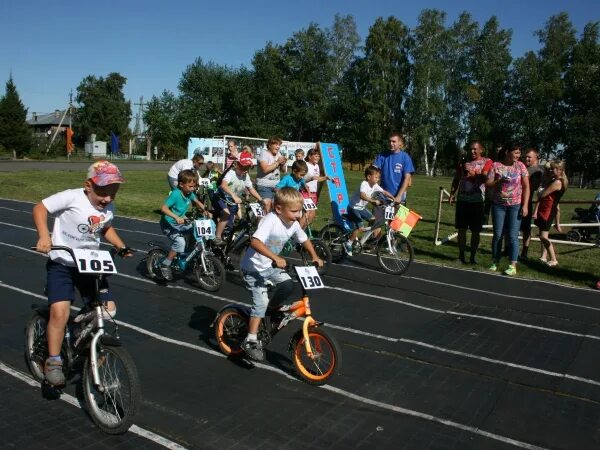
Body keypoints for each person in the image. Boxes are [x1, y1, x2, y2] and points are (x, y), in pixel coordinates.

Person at [32, 160, 133, 386]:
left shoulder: (108, 208)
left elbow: (104, 227)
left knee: (108, 310)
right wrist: (44, 235)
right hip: (63, 264)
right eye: (103, 193)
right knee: (60, 312)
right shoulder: (72, 197)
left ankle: (81, 334)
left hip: (90, 265)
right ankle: (54, 360)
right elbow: (40, 208)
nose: (107, 199)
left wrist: (120, 245)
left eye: (113, 193)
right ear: (88, 185)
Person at [238, 187, 323, 361]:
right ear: (278, 209)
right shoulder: (271, 221)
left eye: (300, 211)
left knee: (288, 284)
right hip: (253, 269)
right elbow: (254, 241)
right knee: (260, 302)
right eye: (294, 211)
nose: (299, 215)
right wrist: (275, 257)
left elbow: (304, 239)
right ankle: (251, 340)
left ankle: (271, 309)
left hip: (269, 266)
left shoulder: (293, 223)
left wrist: (314, 256)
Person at [485, 144, 530, 276]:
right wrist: (498, 182)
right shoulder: (496, 166)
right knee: (498, 234)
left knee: (512, 235)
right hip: (498, 205)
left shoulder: (521, 166)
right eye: (515, 153)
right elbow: (488, 184)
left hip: (515, 205)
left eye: (519, 153)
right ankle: (495, 261)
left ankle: (512, 265)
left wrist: (525, 205)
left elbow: (527, 186)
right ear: (507, 152)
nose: (518, 156)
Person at [448, 141, 493, 264]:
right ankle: (461, 255)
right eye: (471, 149)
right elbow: (457, 178)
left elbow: (485, 179)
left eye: (475, 149)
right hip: (462, 200)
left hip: (477, 201)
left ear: (481, 150)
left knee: (475, 231)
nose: (472, 151)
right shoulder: (464, 162)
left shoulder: (487, 162)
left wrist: (474, 174)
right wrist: (452, 193)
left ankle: (473, 257)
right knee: (461, 229)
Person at [159, 169, 207, 280]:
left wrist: (205, 210)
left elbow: (197, 202)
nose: (193, 189)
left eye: (194, 186)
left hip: (181, 222)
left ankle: (186, 256)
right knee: (180, 242)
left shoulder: (189, 193)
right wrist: (176, 217)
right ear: (181, 185)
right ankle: (166, 264)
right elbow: (163, 208)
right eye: (190, 186)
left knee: (196, 231)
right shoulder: (176, 194)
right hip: (169, 224)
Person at [344, 166, 395, 256]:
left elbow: (384, 192)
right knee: (359, 227)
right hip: (353, 208)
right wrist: (373, 201)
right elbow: (362, 196)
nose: (378, 179)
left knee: (373, 220)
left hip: (361, 208)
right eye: (376, 177)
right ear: (369, 177)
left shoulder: (374, 185)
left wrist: (394, 199)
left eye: (378, 177)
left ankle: (364, 239)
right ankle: (348, 243)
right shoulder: (364, 184)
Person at [213, 151, 263, 245]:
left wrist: (260, 199)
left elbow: (251, 188)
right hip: (220, 198)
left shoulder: (245, 175)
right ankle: (217, 237)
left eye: (248, 167)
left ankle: (225, 241)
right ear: (236, 164)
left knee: (230, 226)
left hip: (231, 202)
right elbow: (224, 185)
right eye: (243, 167)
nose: (245, 170)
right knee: (226, 214)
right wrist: (234, 196)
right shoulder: (231, 173)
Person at [533, 160, 568, 266]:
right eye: (551, 168)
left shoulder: (557, 182)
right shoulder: (554, 180)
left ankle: (553, 259)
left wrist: (540, 191)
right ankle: (545, 257)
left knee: (543, 236)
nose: (552, 171)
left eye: (554, 169)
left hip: (548, 210)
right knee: (542, 235)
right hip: (544, 208)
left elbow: (542, 195)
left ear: (560, 170)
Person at [373, 132, 415, 205]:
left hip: (399, 197)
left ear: (400, 143)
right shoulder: (382, 156)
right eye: (390, 141)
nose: (391, 143)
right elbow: (373, 172)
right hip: (382, 195)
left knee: (398, 217)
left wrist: (399, 196)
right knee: (379, 216)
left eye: (394, 141)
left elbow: (407, 178)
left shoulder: (405, 158)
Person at [519, 148, 544, 259]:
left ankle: (525, 251)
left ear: (536, 158)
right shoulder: (523, 167)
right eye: (526, 157)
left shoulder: (537, 171)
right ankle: (508, 249)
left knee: (525, 228)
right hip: (515, 200)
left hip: (526, 201)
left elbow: (533, 187)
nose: (527, 159)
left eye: (529, 157)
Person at [256, 136, 287, 214]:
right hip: (264, 185)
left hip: (276, 186)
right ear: (269, 145)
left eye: (279, 145)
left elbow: (283, 171)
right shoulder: (264, 154)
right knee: (267, 205)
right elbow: (265, 169)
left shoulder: (279, 154)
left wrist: (283, 164)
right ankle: (260, 223)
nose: (278, 147)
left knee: (277, 207)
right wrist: (277, 162)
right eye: (276, 144)